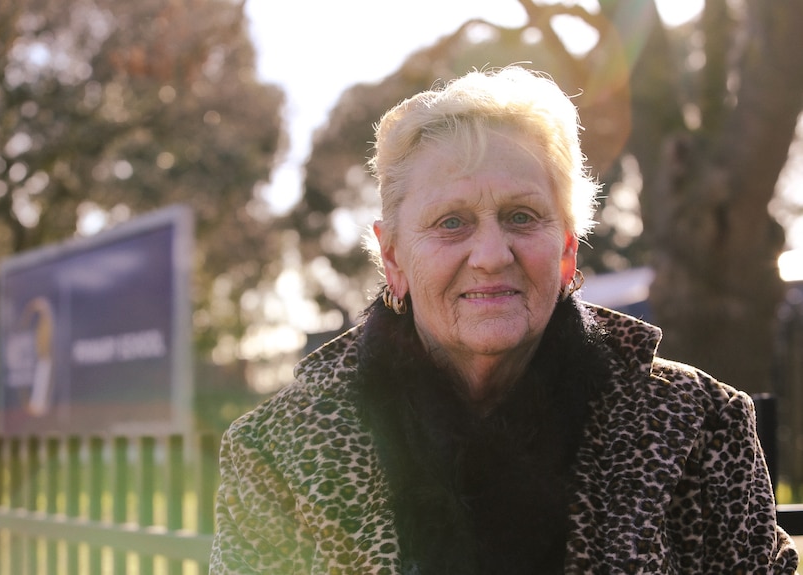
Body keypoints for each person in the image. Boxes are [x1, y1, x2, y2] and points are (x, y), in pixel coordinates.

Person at [209, 66, 798, 574]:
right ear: (393, 259)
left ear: (567, 251)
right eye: (451, 223)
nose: (492, 255)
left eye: (521, 216)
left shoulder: (695, 423)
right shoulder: (275, 453)